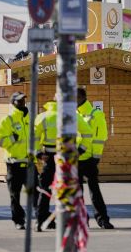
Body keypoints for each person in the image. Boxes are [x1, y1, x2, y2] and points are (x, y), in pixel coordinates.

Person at [33, 99, 93, 232]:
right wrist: (80, 150)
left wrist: (38, 153)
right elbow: (88, 133)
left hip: (49, 157)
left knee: (45, 190)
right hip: (67, 158)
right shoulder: (73, 116)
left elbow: (34, 137)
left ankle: (40, 220)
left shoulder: (43, 117)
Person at [0, 92, 35, 230]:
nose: (22, 103)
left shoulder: (29, 118)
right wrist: (13, 138)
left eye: (24, 100)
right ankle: (19, 220)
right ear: (13, 103)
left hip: (29, 163)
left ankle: (42, 218)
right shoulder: (7, 120)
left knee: (36, 192)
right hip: (14, 163)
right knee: (15, 195)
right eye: (19, 101)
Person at [77, 87, 114, 229]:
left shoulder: (96, 114)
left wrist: (96, 157)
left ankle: (103, 219)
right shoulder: (75, 114)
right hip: (77, 158)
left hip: (90, 159)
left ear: (80, 97)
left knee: (94, 191)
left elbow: (100, 137)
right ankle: (82, 220)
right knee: (77, 192)